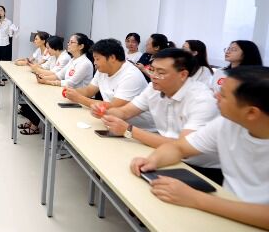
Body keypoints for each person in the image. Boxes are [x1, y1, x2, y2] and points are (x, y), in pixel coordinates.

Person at [130, 66, 269, 230]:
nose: (215, 95)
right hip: (226, 205)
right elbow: (179, 148)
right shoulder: (227, 123)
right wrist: (151, 161)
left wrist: (195, 198)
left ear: (251, 112)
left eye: (223, 95)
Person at [96, 48, 222, 184]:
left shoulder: (202, 100)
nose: (154, 76)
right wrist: (104, 111)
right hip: (166, 154)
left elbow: (183, 147)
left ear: (183, 75)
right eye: (152, 69)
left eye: (161, 72)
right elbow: (126, 112)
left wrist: (129, 130)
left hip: (202, 168)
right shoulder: (154, 88)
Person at [64, 38, 155, 130]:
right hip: (114, 124)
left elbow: (114, 106)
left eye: (97, 59)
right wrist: (72, 92)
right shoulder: (102, 70)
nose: (94, 63)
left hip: (140, 130)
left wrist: (79, 98)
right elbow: (89, 91)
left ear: (112, 58)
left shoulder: (131, 76)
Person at [0, 5, 18, 86]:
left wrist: (13, 31)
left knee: (4, 62)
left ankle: (3, 79)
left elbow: (10, 34)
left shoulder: (8, 22)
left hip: (5, 44)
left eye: (1, 10)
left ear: (4, 12)